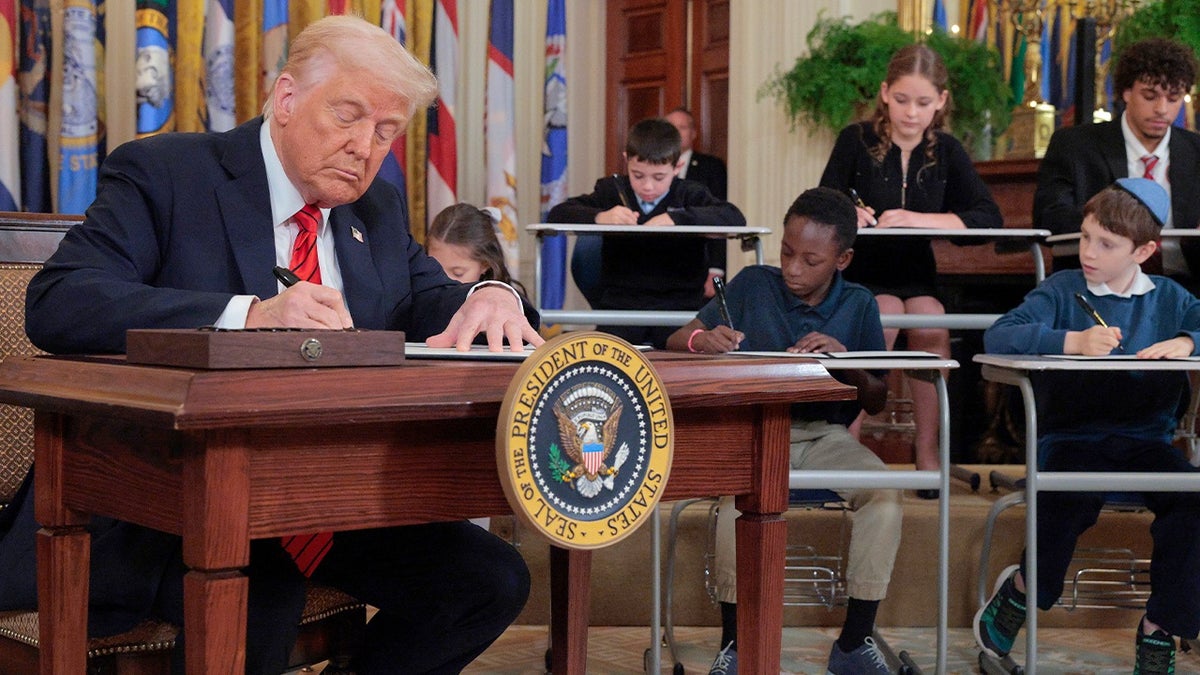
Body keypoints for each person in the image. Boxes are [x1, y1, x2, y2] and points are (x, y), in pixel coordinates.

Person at [0, 16, 540, 675]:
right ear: (286, 99)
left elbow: (434, 301)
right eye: (349, 116)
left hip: (315, 499)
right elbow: (60, 300)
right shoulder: (169, 173)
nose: (365, 147)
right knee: (258, 588)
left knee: (488, 579)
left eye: (386, 132)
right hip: (156, 502)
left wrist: (494, 297)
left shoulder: (376, 211)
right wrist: (246, 315)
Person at [666, 187, 903, 675]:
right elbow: (675, 338)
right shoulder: (753, 284)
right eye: (788, 253)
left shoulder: (859, 305)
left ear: (843, 259)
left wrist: (847, 364)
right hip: (752, 434)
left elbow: (877, 398)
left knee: (886, 495)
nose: (793, 268)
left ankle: (854, 642)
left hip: (824, 438)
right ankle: (736, 643)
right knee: (740, 505)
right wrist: (700, 339)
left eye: (811, 260)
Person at [977, 178, 1200, 675]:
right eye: (1084, 237)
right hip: (1072, 438)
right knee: (1069, 495)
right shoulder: (1061, 290)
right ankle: (1022, 590)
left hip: (1146, 440)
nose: (1088, 252)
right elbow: (1001, 334)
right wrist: (1070, 342)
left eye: (1106, 243)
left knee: (1192, 499)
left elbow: (1199, 324)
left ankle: (1159, 626)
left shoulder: (1169, 297)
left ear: (1143, 250)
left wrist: (1188, 342)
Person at [819, 43, 1002, 480]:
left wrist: (919, 218)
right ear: (885, 93)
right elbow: (823, 202)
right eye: (902, 100)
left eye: (923, 103)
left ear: (940, 101)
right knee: (882, 317)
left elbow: (986, 217)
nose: (911, 113)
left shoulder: (948, 150)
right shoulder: (856, 140)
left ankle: (928, 452)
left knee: (931, 322)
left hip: (916, 274)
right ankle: (849, 447)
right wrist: (851, 211)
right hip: (862, 272)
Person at [548, 116, 745, 349]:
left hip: (679, 309)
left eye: (659, 177)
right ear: (626, 161)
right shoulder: (612, 190)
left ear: (677, 167)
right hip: (621, 308)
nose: (648, 186)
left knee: (684, 355)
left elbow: (734, 217)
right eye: (638, 175)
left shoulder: (690, 193)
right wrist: (600, 217)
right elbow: (558, 213)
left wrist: (677, 218)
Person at [1035, 37, 1200, 287]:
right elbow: (1049, 218)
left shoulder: (1196, 151)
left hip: (1186, 286)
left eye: (1173, 97)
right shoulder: (1075, 146)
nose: (1162, 109)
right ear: (1126, 92)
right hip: (1098, 285)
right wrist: (1120, 231)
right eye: (1150, 96)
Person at [666, 107, 729, 297]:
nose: (676, 133)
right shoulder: (650, 167)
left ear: (693, 133)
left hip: (699, 263)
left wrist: (716, 269)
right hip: (662, 262)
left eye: (682, 127)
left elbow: (720, 217)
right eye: (670, 127)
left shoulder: (712, 167)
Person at [427, 202, 528, 297]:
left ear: (485, 264)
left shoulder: (504, 306)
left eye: (458, 273)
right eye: (435, 271)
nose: (444, 282)